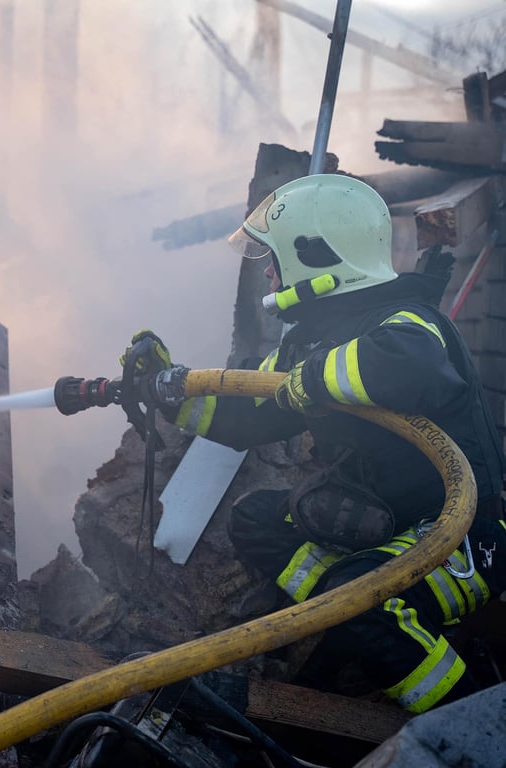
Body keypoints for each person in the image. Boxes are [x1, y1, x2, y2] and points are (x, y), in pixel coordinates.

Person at [128, 173, 506, 713]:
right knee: (255, 520)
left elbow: (409, 365)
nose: (268, 271)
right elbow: (244, 414)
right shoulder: (312, 342)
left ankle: (471, 719)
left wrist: (315, 376)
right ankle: (343, 612)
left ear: (317, 256)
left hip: (462, 533)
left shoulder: (408, 322)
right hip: (387, 521)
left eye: (276, 258)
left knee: (361, 599)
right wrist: (172, 395)